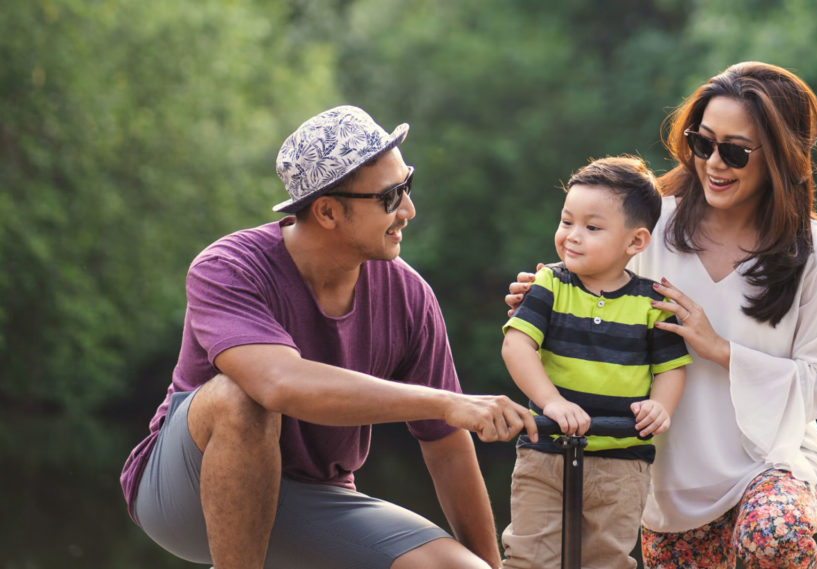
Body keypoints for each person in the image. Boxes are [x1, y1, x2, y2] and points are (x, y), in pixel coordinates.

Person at [120, 105, 538, 569]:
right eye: (389, 197)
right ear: (327, 211)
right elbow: (278, 383)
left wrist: (489, 564)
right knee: (242, 397)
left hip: (314, 497)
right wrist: (443, 401)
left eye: (408, 185)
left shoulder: (409, 295)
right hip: (185, 492)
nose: (409, 209)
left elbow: (447, 446)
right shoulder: (229, 268)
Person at [506, 62, 817, 569]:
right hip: (665, 487)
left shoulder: (813, 250)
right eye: (703, 142)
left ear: (780, 157)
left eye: (735, 151)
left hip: (774, 464)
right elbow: (584, 289)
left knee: (772, 534)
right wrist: (543, 301)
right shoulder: (652, 225)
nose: (714, 162)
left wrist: (719, 349)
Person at [500, 155, 692, 569]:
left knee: (606, 559)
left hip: (620, 462)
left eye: (592, 227)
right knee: (529, 557)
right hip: (545, 451)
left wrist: (660, 406)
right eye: (567, 221)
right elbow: (517, 347)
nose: (572, 236)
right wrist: (552, 403)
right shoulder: (549, 284)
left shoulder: (652, 303)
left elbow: (671, 369)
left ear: (636, 242)